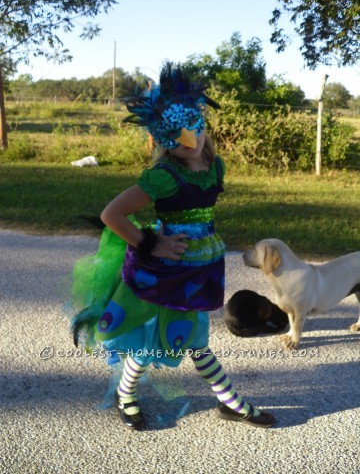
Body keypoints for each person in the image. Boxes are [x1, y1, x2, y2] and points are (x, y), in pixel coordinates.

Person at [71, 62, 275, 430]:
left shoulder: (215, 167)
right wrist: (150, 243)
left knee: (195, 338)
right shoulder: (164, 177)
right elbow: (111, 214)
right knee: (153, 342)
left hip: (199, 269)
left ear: (200, 119)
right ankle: (127, 394)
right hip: (165, 272)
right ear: (161, 139)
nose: (186, 139)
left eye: (190, 124)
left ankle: (228, 401)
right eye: (172, 133)